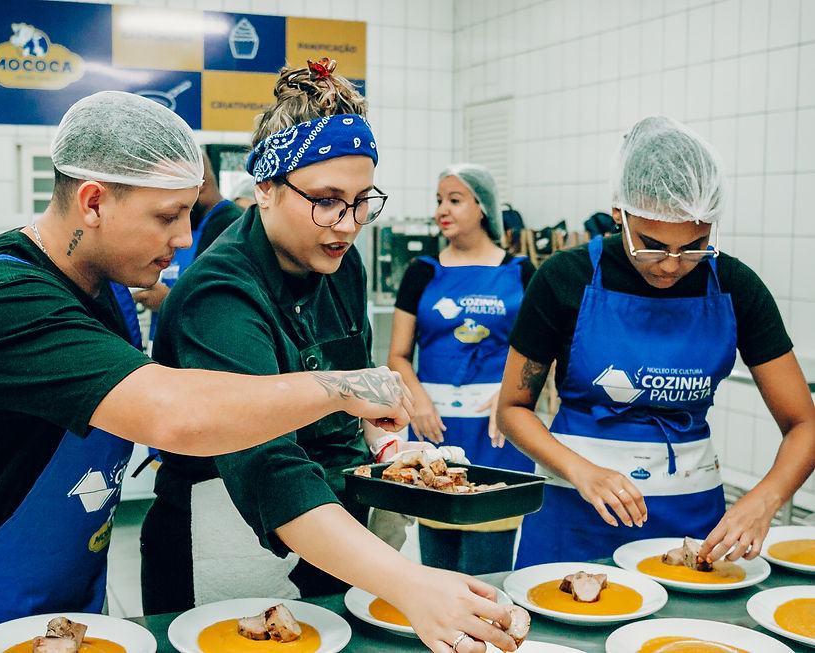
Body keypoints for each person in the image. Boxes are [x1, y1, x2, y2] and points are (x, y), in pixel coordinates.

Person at [0, 90, 412, 645]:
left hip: (68, 599)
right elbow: (179, 414)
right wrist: (345, 387)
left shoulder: (111, 294)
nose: (184, 239)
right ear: (94, 202)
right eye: (168, 216)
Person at [146, 60, 518, 653]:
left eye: (361, 201)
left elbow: (357, 392)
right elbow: (268, 462)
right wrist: (411, 585)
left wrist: (388, 445)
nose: (347, 225)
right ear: (264, 188)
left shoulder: (339, 264)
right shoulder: (219, 295)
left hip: (335, 535)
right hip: (228, 538)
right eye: (325, 201)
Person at [497, 116, 815, 568]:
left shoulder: (735, 286)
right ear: (619, 213)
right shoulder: (564, 279)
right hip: (576, 517)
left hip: (693, 528)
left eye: (694, 245)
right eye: (651, 244)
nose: (670, 265)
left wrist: (765, 499)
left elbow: (804, 424)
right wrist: (580, 470)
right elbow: (512, 409)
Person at [387, 164, 535, 575]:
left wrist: (511, 398)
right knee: (437, 561)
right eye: (438, 201)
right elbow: (397, 354)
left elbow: (544, 352)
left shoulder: (520, 272)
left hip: (498, 431)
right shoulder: (422, 272)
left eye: (454, 200)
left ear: (483, 207)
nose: (441, 211)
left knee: (488, 566)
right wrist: (417, 405)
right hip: (436, 430)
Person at [131, 151, 243, 337]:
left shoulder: (233, 229)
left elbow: (230, 308)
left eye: (173, 211)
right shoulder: (195, 222)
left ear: (200, 184)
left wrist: (169, 300)